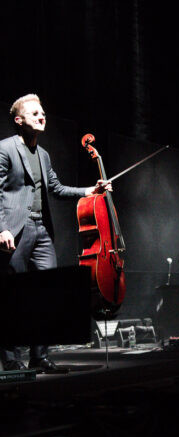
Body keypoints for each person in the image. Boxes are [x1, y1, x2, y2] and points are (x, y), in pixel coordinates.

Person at [0, 93, 109, 372]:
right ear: (19, 119)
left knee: (47, 291)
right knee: (13, 294)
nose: (41, 116)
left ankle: (39, 355)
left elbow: (56, 188)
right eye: (34, 113)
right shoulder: (5, 149)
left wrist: (90, 190)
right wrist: (1, 229)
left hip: (41, 230)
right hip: (14, 230)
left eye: (43, 112)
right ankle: (11, 359)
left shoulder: (44, 155)